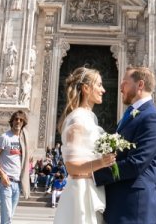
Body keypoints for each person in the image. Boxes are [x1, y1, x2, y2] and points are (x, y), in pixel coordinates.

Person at [93, 66, 156, 224]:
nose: (120, 87)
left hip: (136, 205)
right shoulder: (132, 114)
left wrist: (94, 173)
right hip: (121, 202)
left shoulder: (152, 118)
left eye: (125, 83)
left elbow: (137, 163)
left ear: (140, 85)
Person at [49, 67, 116, 223]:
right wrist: (102, 162)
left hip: (90, 188)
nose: (103, 90)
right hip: (81, 193)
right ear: (86, 88)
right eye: (99, 85)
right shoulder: (78, 119)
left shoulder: (89, 117)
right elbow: (72, 167)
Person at [0, 110, 32, 224]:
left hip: (17, 183)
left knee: (8, 218)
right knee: (7, 218)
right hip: (6, 182)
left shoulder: (23, 139)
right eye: (16, 119)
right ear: (12, 121)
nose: (18, 122)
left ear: (23, 122)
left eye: (21, 120)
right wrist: (2, 174)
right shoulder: (5, 137)